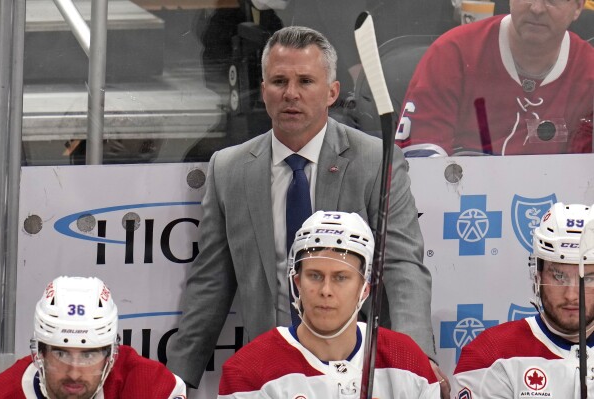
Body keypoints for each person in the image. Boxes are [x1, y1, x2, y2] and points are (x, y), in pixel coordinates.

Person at [167, 25, 441, 393]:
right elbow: (211, 283)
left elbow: (402, 267)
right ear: (263, 91)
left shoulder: (375, 161)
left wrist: (418, 364)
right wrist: (177, 382)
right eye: (279, 81)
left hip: (359, 371)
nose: (291, 94)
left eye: (306, 81)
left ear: (332, 92)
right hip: (270, 376)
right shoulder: (228, 169)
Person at [218, 211, 440, 398]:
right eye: (314, 276)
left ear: (365, 287)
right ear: (297, 281)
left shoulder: (407, 359)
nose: (325, 290)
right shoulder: (248, 372)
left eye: (340, 277)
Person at [395, 0, 594, 156]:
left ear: (577, 6)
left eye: (552, 0)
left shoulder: (589, 71)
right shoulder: (453, 53)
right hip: (463, 204)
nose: (537, 8)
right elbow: (418, 159)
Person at [451, 202, 594, 397]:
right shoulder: (490, 354)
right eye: (559, 277)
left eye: (587, 279)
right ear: (537, 276)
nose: (571, 295)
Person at [0, 276, 186, 399]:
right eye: (61, 354)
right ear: (41, 354)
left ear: (110, 356)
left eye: (88, 355)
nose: (74, 373)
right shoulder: (4, 392)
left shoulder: (146, 385)